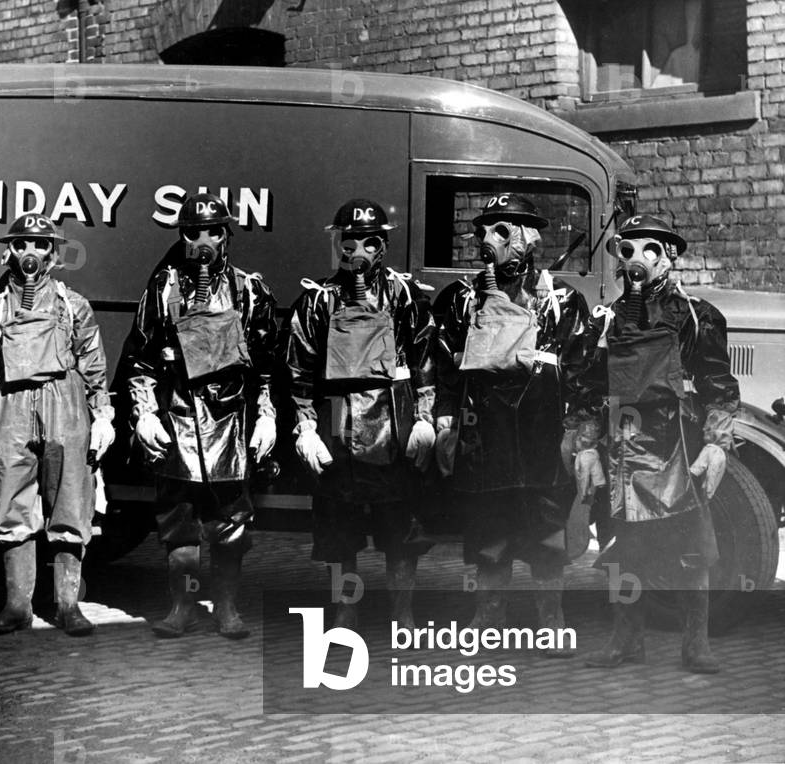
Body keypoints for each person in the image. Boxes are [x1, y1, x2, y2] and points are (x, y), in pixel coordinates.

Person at [567, 214, 738, 674]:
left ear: (669, 258)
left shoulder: (698, 317)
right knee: (621, 546)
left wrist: (716, 443)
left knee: (694, 550)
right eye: (628, 250)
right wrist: (586, 447)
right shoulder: (607, 319)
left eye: (650, 249)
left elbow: (719, 385)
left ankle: (696, 643)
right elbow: (587, 389)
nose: (637, 259)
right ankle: (626, 639)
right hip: (621, 446)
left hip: (677, 443)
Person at [433, 193, 591, 655]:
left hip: (543, 436)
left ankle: (550, 619)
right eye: (484, 231)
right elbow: (443, 366)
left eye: (503, 231)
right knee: (488, 530)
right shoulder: (462, 300)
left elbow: (580, 372)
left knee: (547, 531)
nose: (490, 240)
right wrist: (442, 419)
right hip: (486, 434)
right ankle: (488, 615)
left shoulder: (562, 302)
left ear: (530, 239)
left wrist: (580, 433)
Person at [123, 192, 278, 639]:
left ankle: (227, 608)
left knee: (231, 524)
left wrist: (266, 415)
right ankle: (182, 607)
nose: (203, 242)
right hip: (180, 420)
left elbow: (267, 364)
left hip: (230, 422)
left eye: (213, 232)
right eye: (193, 233)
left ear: (227, 236)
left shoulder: (250, 289)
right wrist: (144, 413)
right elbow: (141, 358)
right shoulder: (163, 287)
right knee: (179, 524)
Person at [284, 198, 436, 629]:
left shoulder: (404, 295)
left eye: (369, 242)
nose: (358, 253)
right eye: (348, 242)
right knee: (338, 534)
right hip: (338, 431)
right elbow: (299, 370)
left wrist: (425, 419)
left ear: (382, 245)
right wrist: (305, 427)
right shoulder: (317, 301)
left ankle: (403, 615)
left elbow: (425, 360)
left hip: (395, 429)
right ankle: (345, 612)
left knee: (401, 534)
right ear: (338, 243)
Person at [0, 214, 115, 637]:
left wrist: (103, 414)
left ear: (53, 252)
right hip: (8, 408)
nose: (31, 253)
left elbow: (92, 362)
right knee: (13, 507)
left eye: (40, 245)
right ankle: (17, 607)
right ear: (9, 250)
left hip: (64, 406)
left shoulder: (72, 304)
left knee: (68, 505)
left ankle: (68, 606)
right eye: (23, 244)